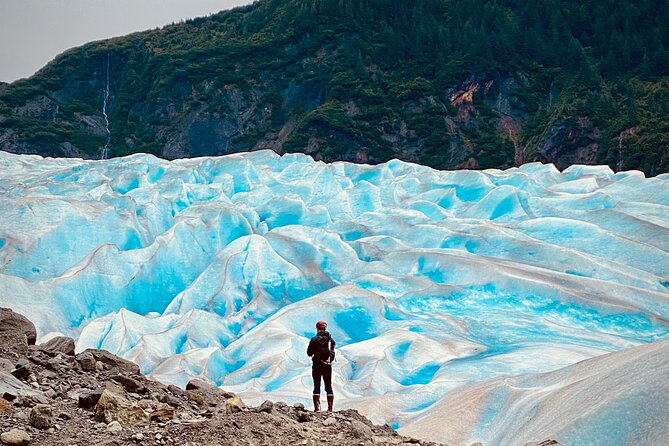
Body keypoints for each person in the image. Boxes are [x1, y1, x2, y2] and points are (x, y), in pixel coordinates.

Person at [306, 320, 336, 412]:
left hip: (317, 364)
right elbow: (332, 349)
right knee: (328, 386)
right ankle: (330, 408)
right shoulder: (331, 340)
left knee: (316, 385)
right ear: (325, 328)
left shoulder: (314, 339)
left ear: (317, 328)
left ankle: (317, 408)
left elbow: (309, 353)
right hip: (327, 365)